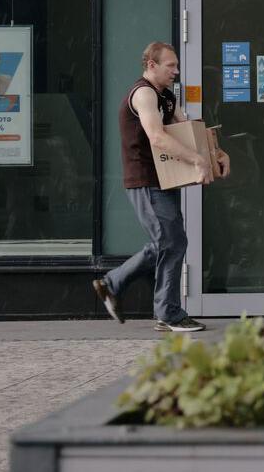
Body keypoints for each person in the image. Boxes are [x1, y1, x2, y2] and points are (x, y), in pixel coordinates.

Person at [92, 41, 231, 332]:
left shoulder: (166, 96)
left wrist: (216, 152)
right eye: (171, 66)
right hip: (145, 179)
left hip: (163, 179)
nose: (176, 71)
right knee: (172, 241)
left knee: (165, 242)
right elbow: (156, 137)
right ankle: (168, 314)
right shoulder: (143, 94)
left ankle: (112, 284)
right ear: (151, 65)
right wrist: (197, 160)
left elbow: (189, 130)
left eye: (177, 65)